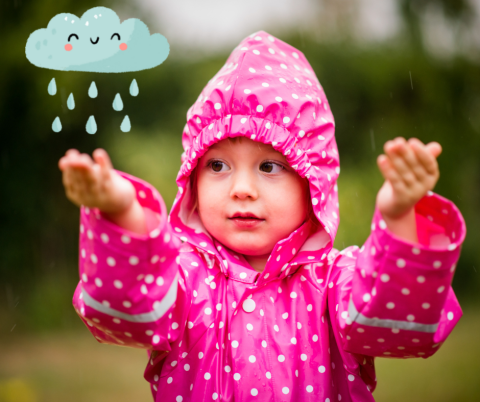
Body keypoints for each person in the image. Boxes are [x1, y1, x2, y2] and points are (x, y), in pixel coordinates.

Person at [58, 31, 466, 401]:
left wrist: (399, 217)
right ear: (193, 181)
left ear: (313, 184)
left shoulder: (335, 284)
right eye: (217, 166)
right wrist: (122, 212)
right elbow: (123, 311)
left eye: (269, 167)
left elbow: (398, 325)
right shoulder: (181, 280)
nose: (242, 189)